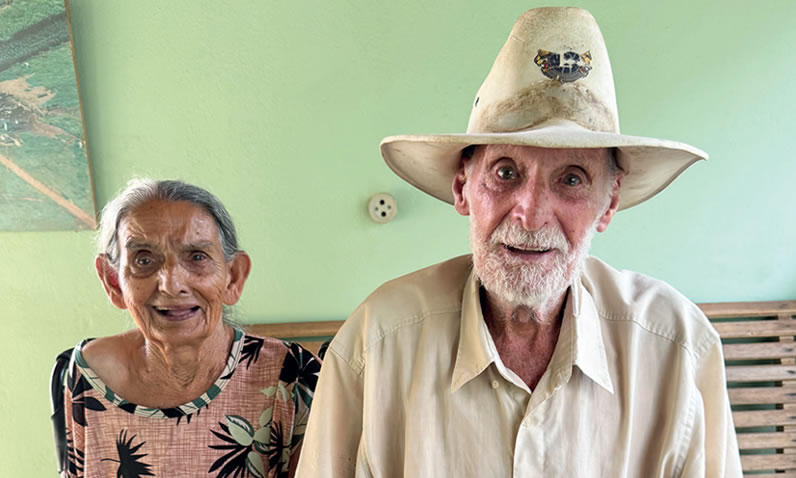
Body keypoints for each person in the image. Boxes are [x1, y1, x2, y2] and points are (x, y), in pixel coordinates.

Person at [296, 7, 741, 477]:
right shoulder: (377, 343)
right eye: (505, 172)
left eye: (571, 179)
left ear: (609, 203)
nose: (530, 214)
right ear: (463, 187)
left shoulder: (675, 348)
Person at [58, 179, 320, 478]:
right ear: (113, 281)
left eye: (197, 257)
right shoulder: (87, 375)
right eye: (144, 259)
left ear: (233, 277)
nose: (171, 285)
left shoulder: (293, 376)